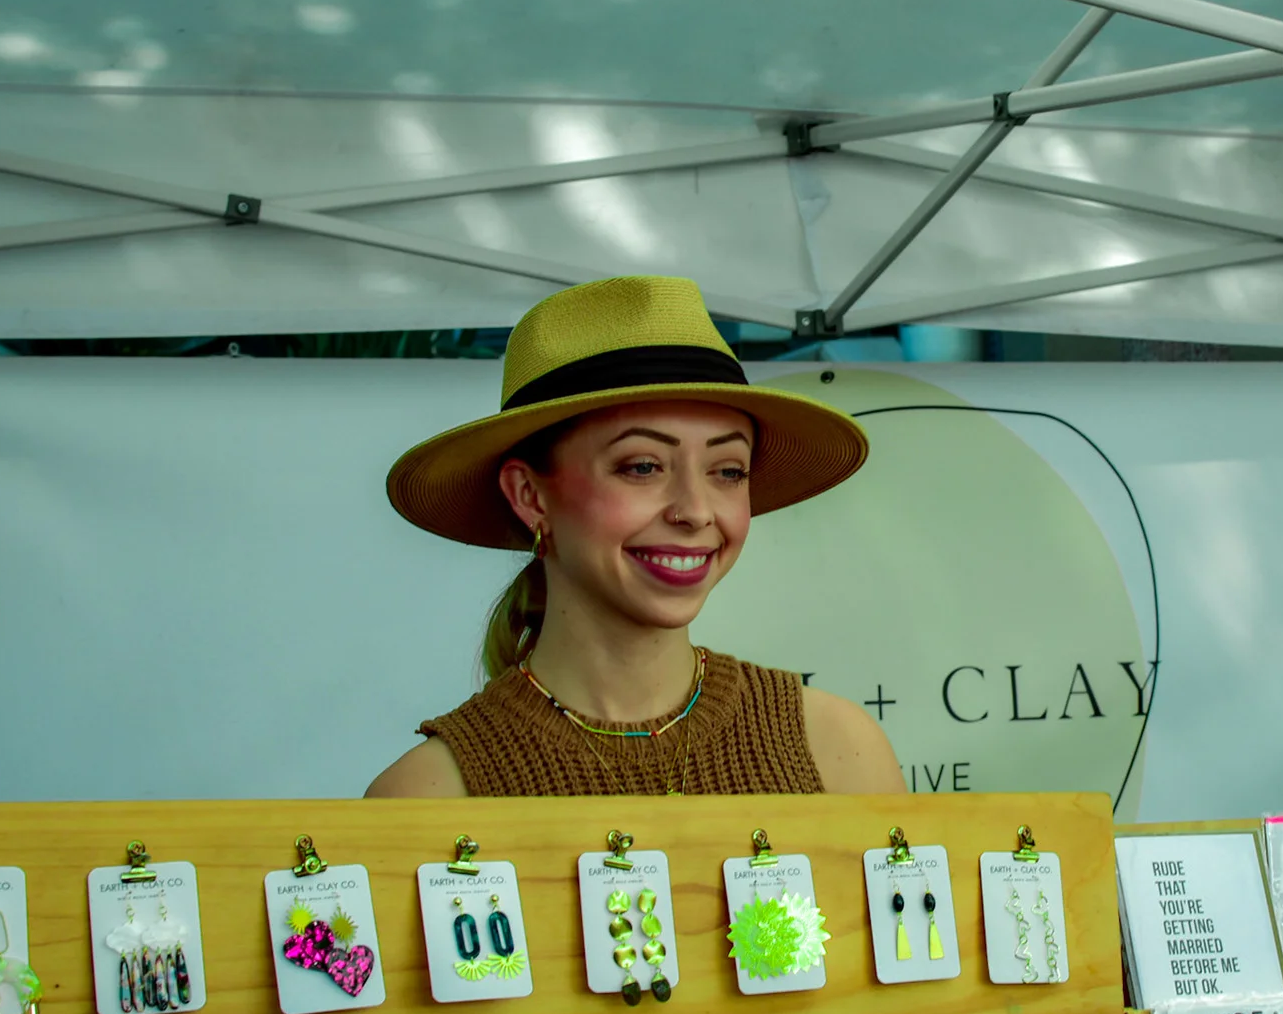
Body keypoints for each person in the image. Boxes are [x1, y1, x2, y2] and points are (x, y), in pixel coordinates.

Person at [366, 276, 904, 797]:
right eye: (643, 466)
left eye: (728, 471)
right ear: (530, 495)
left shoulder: (837, 751)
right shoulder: (428, 795)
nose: (696, 512)